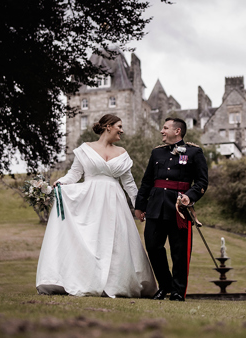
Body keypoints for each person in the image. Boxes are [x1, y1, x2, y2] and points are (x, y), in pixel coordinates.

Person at [36, 114, 157, 298]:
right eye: (119, 126)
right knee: (91, 241)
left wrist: (139, 206)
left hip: (114, 204)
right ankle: (86, 281)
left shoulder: (122, 153)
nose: (122, 130)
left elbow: (130, 184)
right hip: (89, 202)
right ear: (108, 126)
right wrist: (60, 183)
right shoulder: (85, 149)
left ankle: (115, 284)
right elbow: (74, 175)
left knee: (116, 243)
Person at [135, 118, 209, 301]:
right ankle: (165, 285)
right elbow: (147, 182)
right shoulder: (156, 153)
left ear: (177, 131)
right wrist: (140, 206)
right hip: (156, 207)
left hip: (179, 210)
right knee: (152, 246)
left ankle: (177, 291)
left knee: (180, 252)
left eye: (165, 128)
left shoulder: (195, 152)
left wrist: (190, 196)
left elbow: (201, 182)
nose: (162, 131)